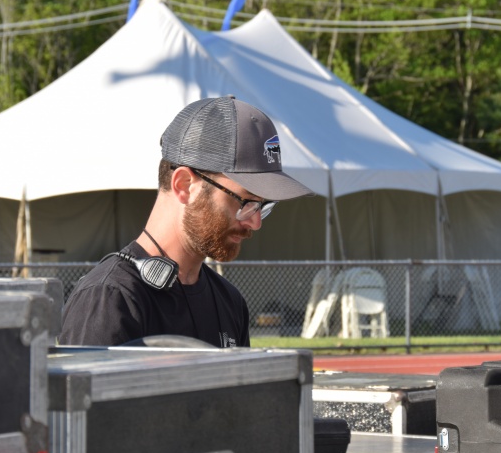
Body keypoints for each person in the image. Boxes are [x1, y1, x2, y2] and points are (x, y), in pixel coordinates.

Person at [59, 96, 314, 348]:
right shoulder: (111, 299)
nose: (255, 222)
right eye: (244, 201)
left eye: (262, 206)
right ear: (184, 185)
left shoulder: (229, 302)